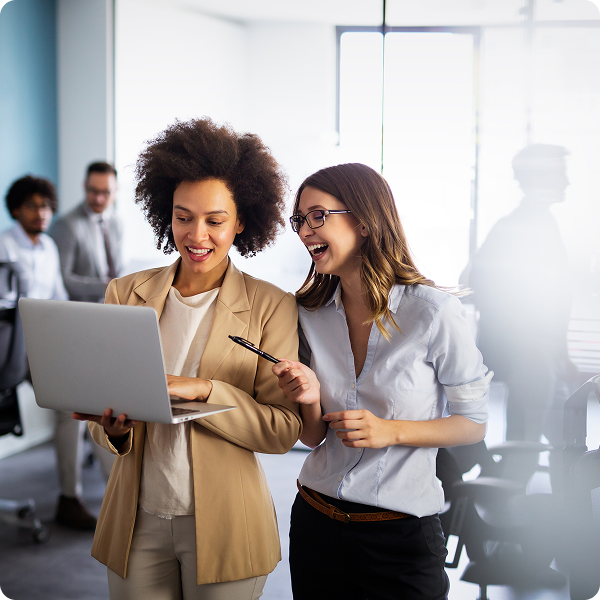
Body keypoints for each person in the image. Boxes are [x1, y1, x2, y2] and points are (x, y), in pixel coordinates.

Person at [73, 118, 301, 600]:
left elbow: (282, 430)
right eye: (183, 216)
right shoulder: (125, 292)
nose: (197, 235)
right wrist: (112, 429)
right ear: (165, 214)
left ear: (241, 222)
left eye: (215, 221)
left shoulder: (271, 305)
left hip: (226, 522)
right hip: (136, 521)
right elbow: (102, 412)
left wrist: (205, 390)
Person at [273, 163, 492, 600]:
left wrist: (390, 431)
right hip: (316, 525)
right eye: (299, 220)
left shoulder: (433, 313)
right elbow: (315, 436)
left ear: (365, 221)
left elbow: (474, 423)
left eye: (318, 216)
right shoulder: (308, 315)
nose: (304, 231)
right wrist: (310, 398)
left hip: (400, 539)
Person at [0, 175, 108, 530]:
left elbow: (59, 297)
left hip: (44, 342)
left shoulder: (47, 247)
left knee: (86, 403)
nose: (41, 213)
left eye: (46, 206)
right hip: (12, 346)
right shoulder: (4, 246)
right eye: (32, 205)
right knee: (69, 405)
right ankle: (69, 498)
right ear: (16, 209)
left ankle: (101, 492)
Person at [467, 144, 573, 485]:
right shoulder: (521, 226)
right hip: (531, 350)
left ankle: (548, 507)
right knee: (526, 441)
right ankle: (503, 518)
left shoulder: (540, 223)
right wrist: (534, 343)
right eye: (560, 173)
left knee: (547, 435)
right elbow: (477, 282)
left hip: (540, 351)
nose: (567, 181)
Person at [49, 162, 123, 302]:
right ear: (84, 186)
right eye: (93, 191)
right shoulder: (66, 225)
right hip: (81, 312)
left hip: (114, 306)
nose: (99, 199)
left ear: (116, 191)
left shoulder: (116, 223)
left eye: (106, 192)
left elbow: (117, 268)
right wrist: (105, 287)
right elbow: (61, 279)